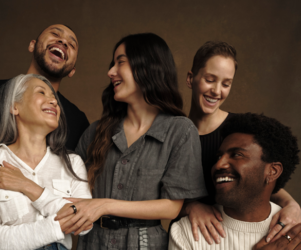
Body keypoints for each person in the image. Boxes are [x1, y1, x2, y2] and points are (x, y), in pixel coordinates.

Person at [52, 33, 208, 249]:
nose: (110, 72)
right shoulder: (95, 131)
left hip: (145, 243)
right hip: (92, 242)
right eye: (112, 63)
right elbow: (65, 186)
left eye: (120, 62)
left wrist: (105, 205)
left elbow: (172, 207)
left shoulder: (180, 131)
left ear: (147, 67)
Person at [0, 24, 90, 249]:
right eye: (55, 35)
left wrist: (27, 186)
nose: (63, 42)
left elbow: (83, 217)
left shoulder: (77, 122)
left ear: (72, 69)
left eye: (71, 44)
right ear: (32, 45)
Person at [177, 41, 301, 245]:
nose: (217, 91)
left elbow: (261, 177)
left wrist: (292, 204)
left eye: (226, 84)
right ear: (191, 79)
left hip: (234, 232)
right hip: (191, 235)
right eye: (210, 80)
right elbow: (154, 191)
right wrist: (190, 206)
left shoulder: (237, 133)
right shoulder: (172, 132)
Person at [0, 74, 92, 250]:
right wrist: (57, 227)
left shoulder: (73, 163)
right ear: (14, 107)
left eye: (55, 98)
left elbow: (85, 224)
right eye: (41, 92)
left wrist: (27, 186)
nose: (54, 102)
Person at [169, 113, 300, 250]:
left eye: (237, 155)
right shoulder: (187, 232)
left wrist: (291, 203)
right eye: (219, 156)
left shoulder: (296, 231)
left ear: (273, 171)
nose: (219, 164)